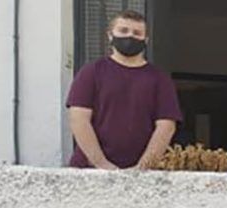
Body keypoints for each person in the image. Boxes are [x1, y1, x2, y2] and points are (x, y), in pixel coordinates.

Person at [65, 10, 181, 170]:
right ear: (110, 36)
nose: (130, 36)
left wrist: (142, 168)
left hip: (143, 177)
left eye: (137, 33)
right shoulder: (91, 72)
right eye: (123, 31)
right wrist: (102, 164)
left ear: (146, 40)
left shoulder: (160, 80)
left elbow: (166, 126)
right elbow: (78, 119)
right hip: (89, 172)